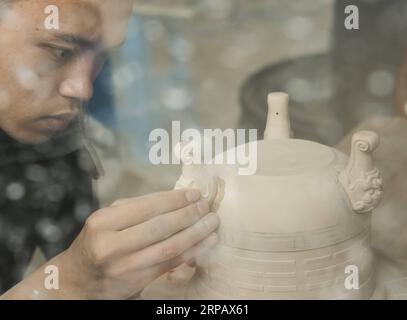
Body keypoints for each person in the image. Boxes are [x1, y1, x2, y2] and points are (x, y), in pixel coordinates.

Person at [0, 0, 220, 299]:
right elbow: (75, 279)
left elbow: (84, 258)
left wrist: (127, 269)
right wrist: (68, 284)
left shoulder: (53, 134)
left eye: (101, 56)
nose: (83, 89)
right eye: (60, 51)